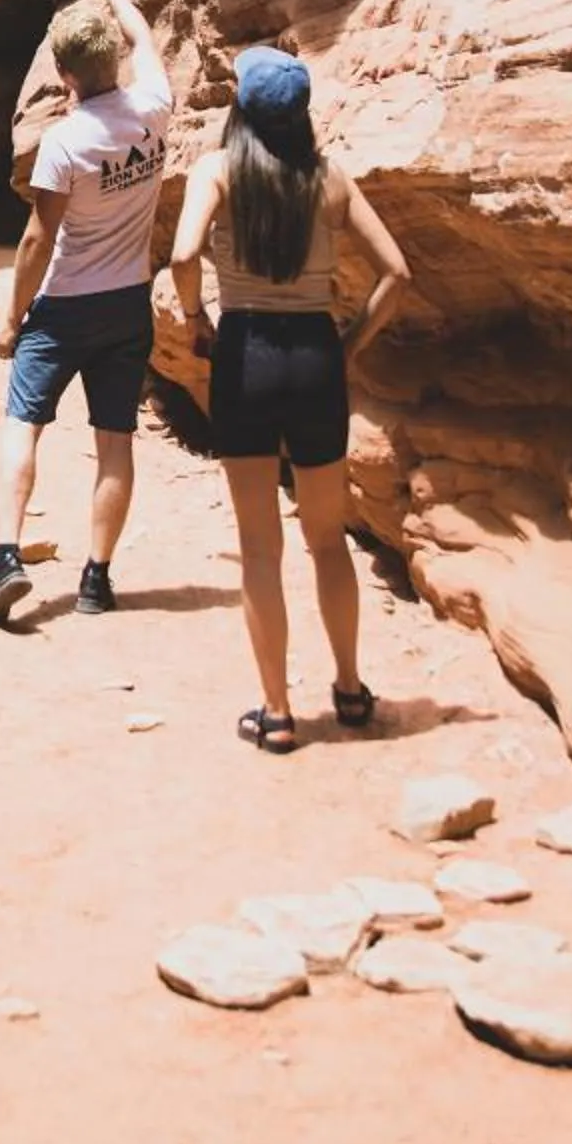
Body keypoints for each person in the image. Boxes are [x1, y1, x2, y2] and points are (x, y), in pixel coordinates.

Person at [166, 46, 410, 752]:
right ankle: (350, 689)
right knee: (328, 540)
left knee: (259, 548)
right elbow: (398, 272)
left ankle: (276, 711)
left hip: (245, 353)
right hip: (313, 359)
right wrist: (350, 343)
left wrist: (195, 321)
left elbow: (183, 256)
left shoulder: (215, 172)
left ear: (241, 110)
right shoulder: (330, 179)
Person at [0, 0, 174, 624]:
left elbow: (39, 238)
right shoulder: (154, 108)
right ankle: (96, 579)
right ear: (113, 59)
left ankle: (5, 560)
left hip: (63, 306)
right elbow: (145, 39)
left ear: (63, 76)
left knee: (22, 426)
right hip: (128, 302)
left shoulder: (65, 142)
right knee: (114, 438)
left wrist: (11, 318)